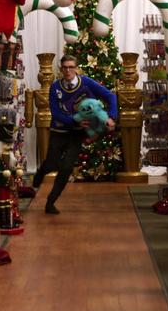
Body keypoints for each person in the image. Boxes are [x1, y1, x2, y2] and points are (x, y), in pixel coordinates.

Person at [32, 54, 117, 214]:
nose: (68, 70)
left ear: (76, 68)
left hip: (76, 135)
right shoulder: (55, 87)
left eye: (71, 67)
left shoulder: (87, 83)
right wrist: (74, 121)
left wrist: (111, 116)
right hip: (59, 131)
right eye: (65, 67)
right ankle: (40, 173)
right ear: (61, 69)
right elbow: (56, 113)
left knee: (66, 168)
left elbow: (110, 96)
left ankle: (50, 202)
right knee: (51, 164)